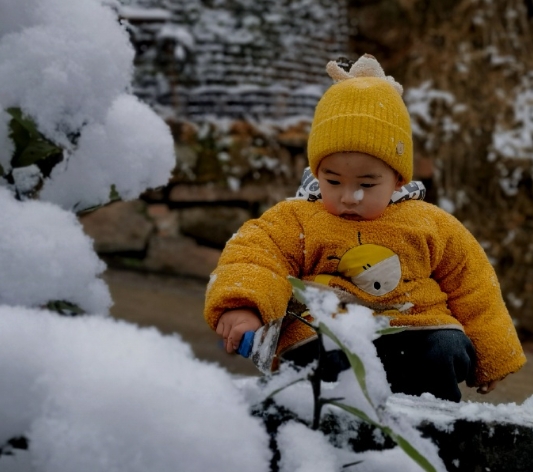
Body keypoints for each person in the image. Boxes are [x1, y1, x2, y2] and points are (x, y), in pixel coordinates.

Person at [204, 54, 526, 402]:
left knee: (445, 347)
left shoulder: (429, 222)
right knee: (322, 355)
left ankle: (433, 422)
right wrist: (244, 305)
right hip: (327, 330)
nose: (349, 197)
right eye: (333, 181)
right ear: (317, 172)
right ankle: (323, 412)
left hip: (416, 328)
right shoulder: (296, 218)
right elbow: (256, 256)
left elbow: (472, 283)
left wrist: (493, 351)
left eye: (367, 184)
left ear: (398, 178)